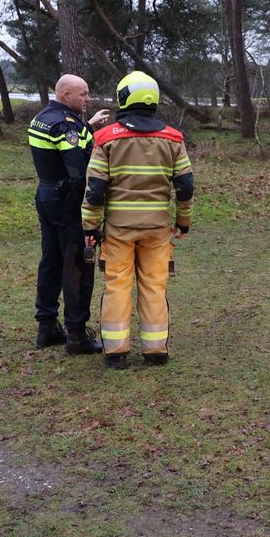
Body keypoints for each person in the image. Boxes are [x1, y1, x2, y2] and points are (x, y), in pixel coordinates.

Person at [83, 71, 194, 369]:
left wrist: (89, 227)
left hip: (118, 230)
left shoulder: (105, 138)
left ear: (123, 98)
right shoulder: (173, 138)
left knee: (117, 287)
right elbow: (185, 186)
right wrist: (183, 221)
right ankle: (155, 351)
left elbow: (95, 190)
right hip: (157, 229)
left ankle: (116, 353)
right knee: (154, 286)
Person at [28, 74, 111, 353]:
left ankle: (47, 326)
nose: (88, 98)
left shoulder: (43, 117)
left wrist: (87, 126)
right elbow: (78, 170)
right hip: (67, 201)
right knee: (78, 265)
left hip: (46, 195)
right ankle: (76, 335)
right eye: (83, 94)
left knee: (50, 260)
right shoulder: (66, 126)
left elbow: (64, 145)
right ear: (67, 96)